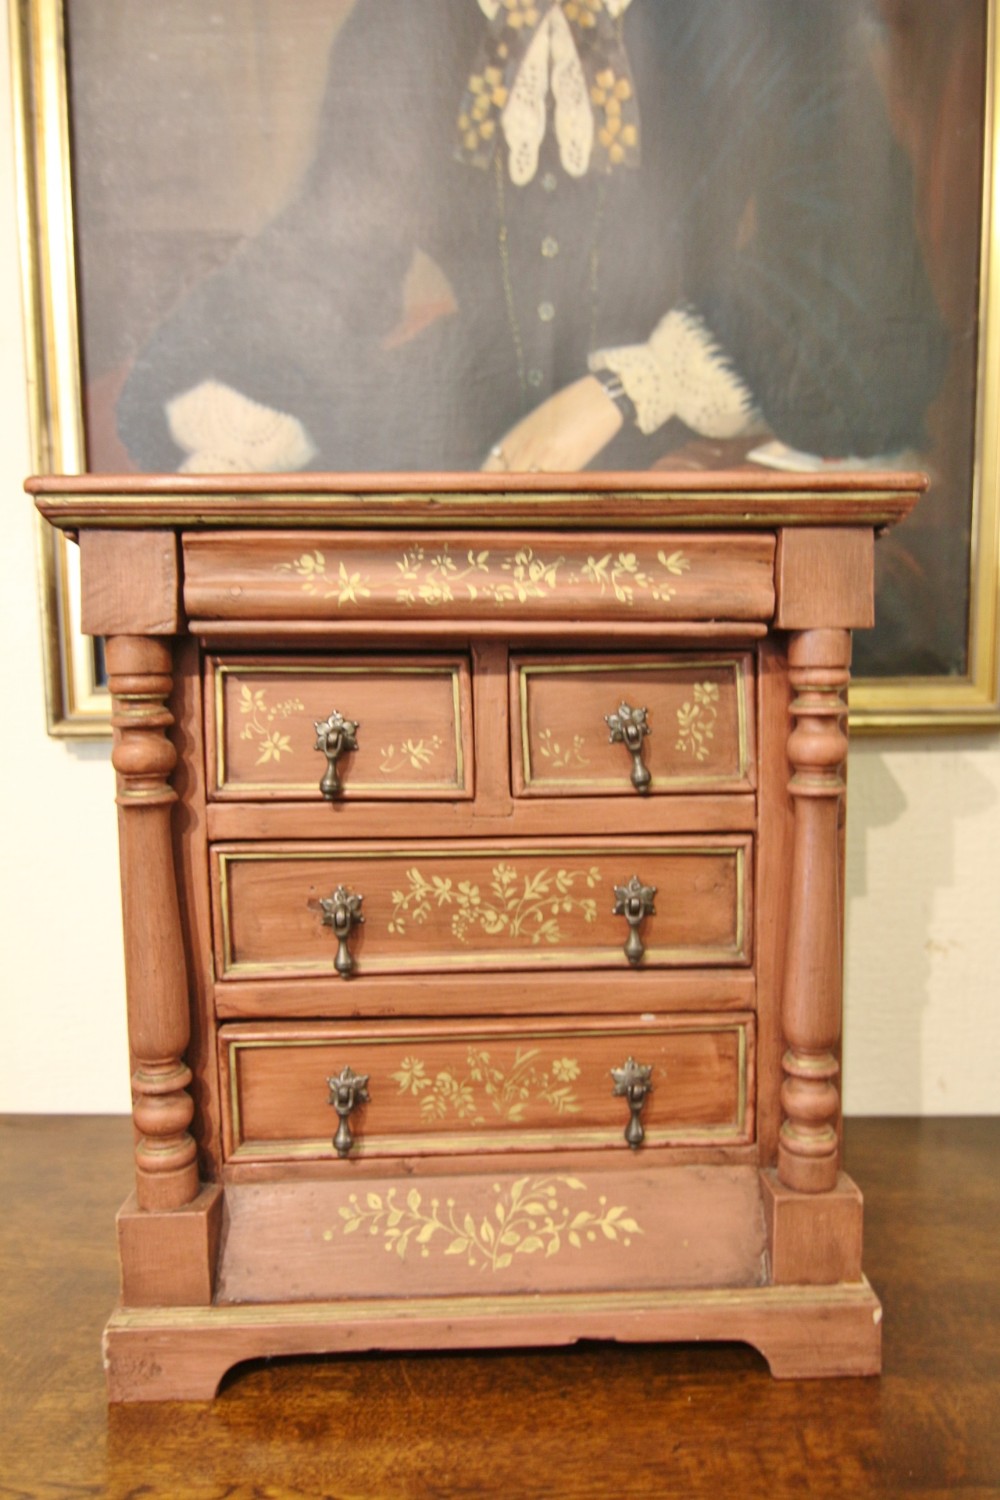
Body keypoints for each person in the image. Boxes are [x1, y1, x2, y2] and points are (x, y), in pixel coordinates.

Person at [116, 0, 947, 476]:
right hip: (472, 435)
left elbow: (846, 254)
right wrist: (265, 417)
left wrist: (627, 391)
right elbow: (333, 247)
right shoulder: (407, 25)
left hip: (690, 430)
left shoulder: (756, 18)